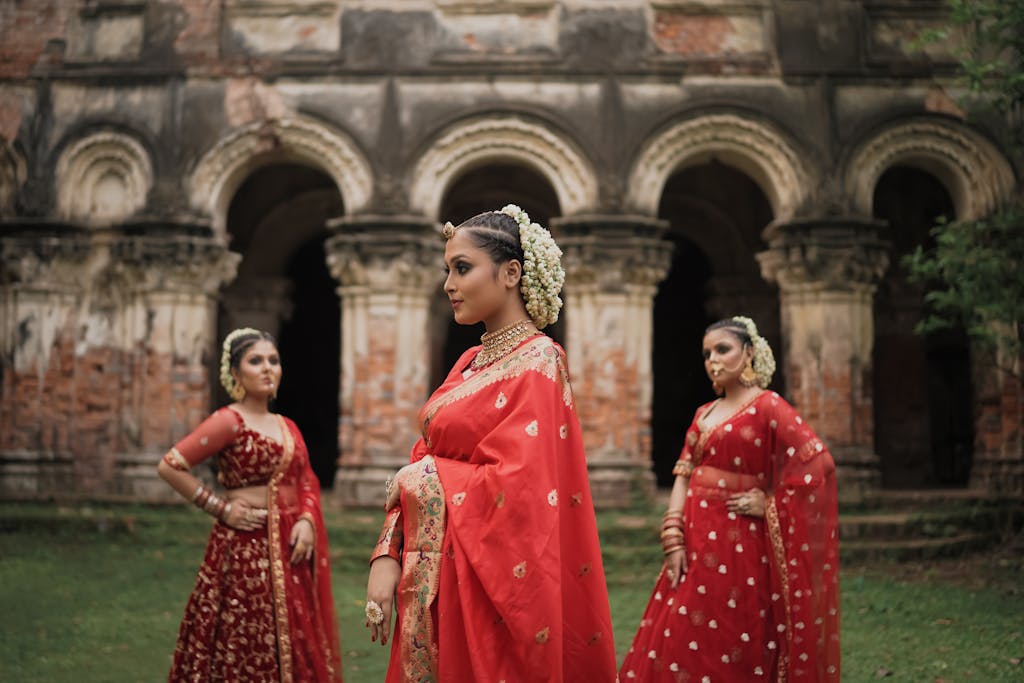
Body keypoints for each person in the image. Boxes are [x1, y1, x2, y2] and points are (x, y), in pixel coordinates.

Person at [364, 205, 617, 682]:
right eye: (447, 270)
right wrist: (386, 554)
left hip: (487, 588)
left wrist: (416, 477)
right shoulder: (469, 362)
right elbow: (426, 456)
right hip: (433, 575)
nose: (448, 285)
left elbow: (519, 490)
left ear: (510, 273)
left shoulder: (541, 361)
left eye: (462, 268)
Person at [619, 317, 840, 682]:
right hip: (695, 539)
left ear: (749, 353)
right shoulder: (703, 414)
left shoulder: (769, 406)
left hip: (743, 545)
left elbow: (819, 464)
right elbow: (684, 474)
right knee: (682, 629)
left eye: (723, 349)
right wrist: (673, 533)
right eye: (707, 353)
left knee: (738, 631)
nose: (712, 359)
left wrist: (771, 502)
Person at [157, 328, 343, 682]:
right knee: (244, 638)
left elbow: (306, 480)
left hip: (290, 549)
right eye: (255, 361)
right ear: (236, 373)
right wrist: (220, 508)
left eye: (273, 360)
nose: (267, 368)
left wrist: (306, 519)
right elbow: (171, 465)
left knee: (293, 640)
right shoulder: (229, 420)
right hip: (244, 549)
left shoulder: (287, 426)